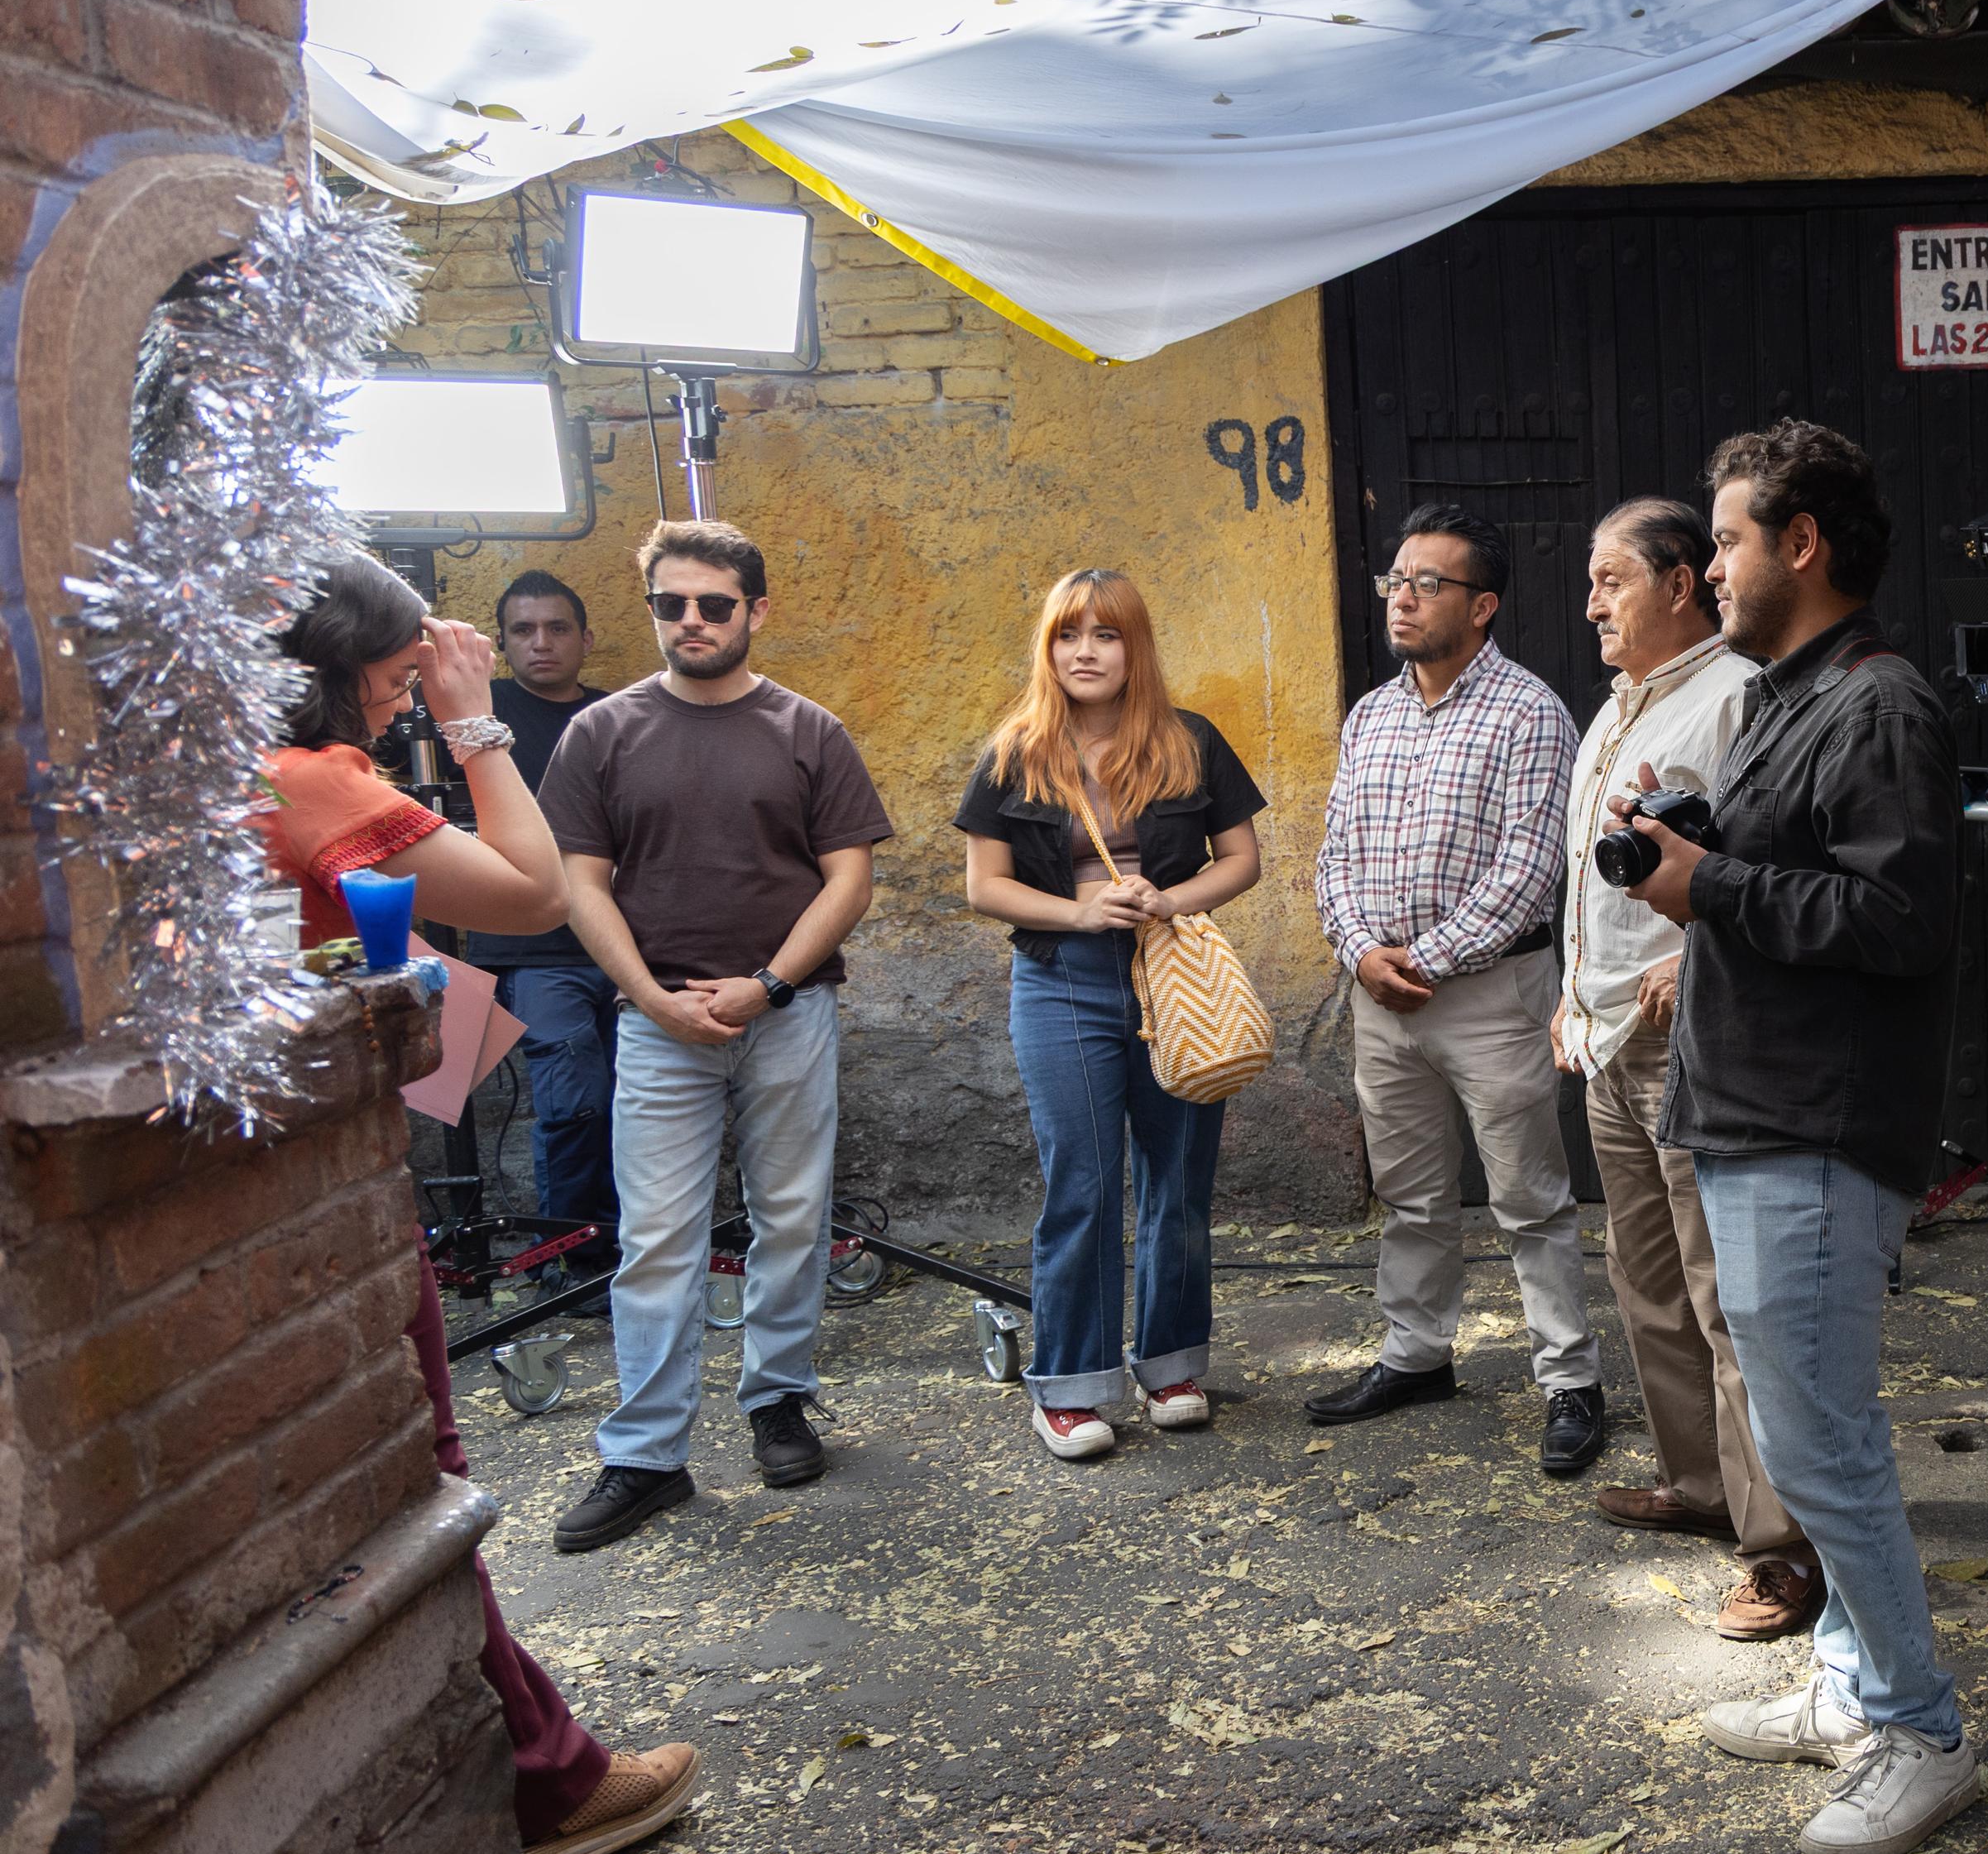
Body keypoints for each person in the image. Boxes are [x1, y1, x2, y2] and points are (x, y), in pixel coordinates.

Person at [261, 553, 697, 1854]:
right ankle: (549, 1783)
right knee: (421, 1456)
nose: (398, 710)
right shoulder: (314, 781)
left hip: (238, 1176)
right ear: (337, 670)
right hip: (317, 1179)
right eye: (392, 681)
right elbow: (530, 890)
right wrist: (472, 715)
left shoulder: (195, 775)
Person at [1613, 419, 1981, 1854]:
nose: (1710, 566)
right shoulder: (1782, 698)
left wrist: (1718, 884)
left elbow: (1903, 924)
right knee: (1802, 1429)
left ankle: (1923, 1729)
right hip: (1755, 1105)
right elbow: (1788, 870)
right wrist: (1698, 844)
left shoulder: (1882, 704)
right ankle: (1849, 1678)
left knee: (1822, 1449)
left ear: (1803, 542)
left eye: (1731, 539)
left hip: (1819, 1125)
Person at [539, 520, 893, 1552]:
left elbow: (848, 878)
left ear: (756, 610)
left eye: (713, 604)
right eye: (669, 604)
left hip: (786, 1012)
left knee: (791, 1218)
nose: (690, 621)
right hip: (657, 1027)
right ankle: (646, 1455)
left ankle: (777, 1400)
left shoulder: (807, 731)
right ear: (649, 609)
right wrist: (651, 998)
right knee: (656, 1241)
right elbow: (580, 883)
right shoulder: (601, 733)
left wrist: (768, 984)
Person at [1550, 498, 1817, 1642]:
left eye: (1613, 579)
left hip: (1692, 1034)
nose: (1594, 602)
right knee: (1645, 1279)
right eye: (1593, 581)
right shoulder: (1615, 709)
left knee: (1724, 1296)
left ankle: (1782, 1550)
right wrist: (1571, 991)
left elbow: (1772, 857)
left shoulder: (1739, 698)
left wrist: (1700, 948)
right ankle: (1699, 1483)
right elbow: (1587, 879)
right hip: (1608, 1032)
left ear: (1679, 586)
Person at [1305, 505, 1605, 1476]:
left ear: (1482, 606)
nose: (1402, 595)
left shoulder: (1530, 712)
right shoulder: (1371, 714)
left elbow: (1531, 869)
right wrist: (1359, 952)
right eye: (1396, 577)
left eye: (1427, 582)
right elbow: (1333, 858)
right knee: (1409, 1194)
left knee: (1528, 1198)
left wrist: (1420, 959)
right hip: (1379, 992)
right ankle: (1415, 1353)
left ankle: (1568, 1377)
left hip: (1486, 992)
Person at [956, 569, 1267, 1461]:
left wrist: (1168, 901)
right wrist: (1081, 912)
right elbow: (986, 885)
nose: (1084, 652)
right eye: (1067, 635)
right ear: (1047, 648)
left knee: (1178, 1179)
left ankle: (1169, 1363)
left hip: (1171, 978)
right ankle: (1069, 1386)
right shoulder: (1015, 750)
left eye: (1105, 634)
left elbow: (1240, 858)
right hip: (1061, 978)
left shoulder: (1188, 740)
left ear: (1137, 648)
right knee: (1082, 1182)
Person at [464, 571, 621, 1229]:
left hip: (623, 940)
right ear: (501, 644)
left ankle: (631, 1253)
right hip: (533, 951)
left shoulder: (622, 713)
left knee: (637, 1102)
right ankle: (573, 1256)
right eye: (523, 631)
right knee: (574, 1097)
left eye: (557, 628)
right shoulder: (478, 716)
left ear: (585, 638)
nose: (541, 643)